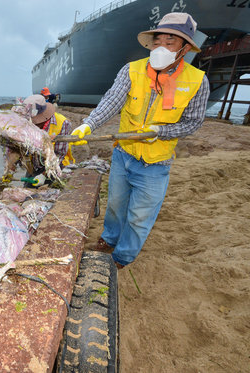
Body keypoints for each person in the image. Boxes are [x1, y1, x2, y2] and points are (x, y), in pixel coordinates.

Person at [70, 12, 210, 268]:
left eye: (170, 42)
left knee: (139, 217)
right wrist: (88, 124)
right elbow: (112, 101)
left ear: (185, 48)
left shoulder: (197, 81)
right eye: (157, 42)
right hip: (124, 155)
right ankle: (109, 238)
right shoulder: (132, 70)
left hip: (156, 165)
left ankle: (121, 258)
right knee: (115, 204)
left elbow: (193, 122)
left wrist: (161, 131)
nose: (161, 48)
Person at [21, 94, 74, 187]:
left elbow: (59, 154)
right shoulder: (27, 123)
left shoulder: (62, 123)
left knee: (50, 193)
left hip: (56, 165)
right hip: (35, 165)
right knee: (27, 191)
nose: (34, 124)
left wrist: (43, 175)